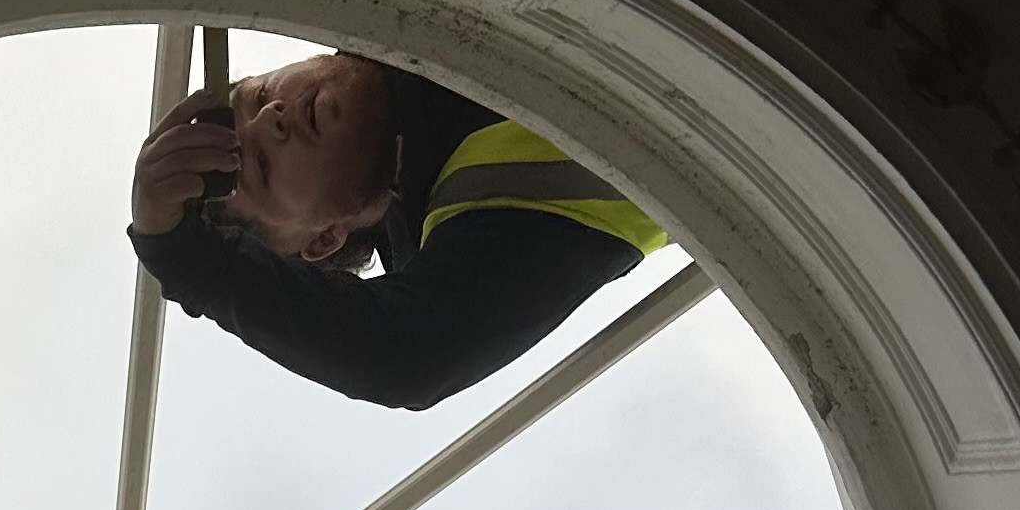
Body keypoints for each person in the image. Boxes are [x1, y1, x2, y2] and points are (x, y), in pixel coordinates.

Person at [127, 51, 668, 411]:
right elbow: (410, 355)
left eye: (259, 92)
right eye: (262, 166)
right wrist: (185, 259)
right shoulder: (488, 213)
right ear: (322, 242)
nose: (272, 116)